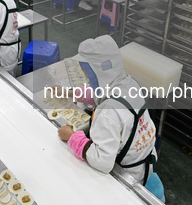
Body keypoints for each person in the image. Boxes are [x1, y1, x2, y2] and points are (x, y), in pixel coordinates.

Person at [56, 35, 165, 202]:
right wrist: (70, 94)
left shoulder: (108, 111)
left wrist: (72, 137)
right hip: (146, 162)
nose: (88, 80)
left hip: (128, 177)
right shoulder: (129, 83)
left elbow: (103, 161)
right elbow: (103, 93)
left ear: (99, 72)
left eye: (89, 76)